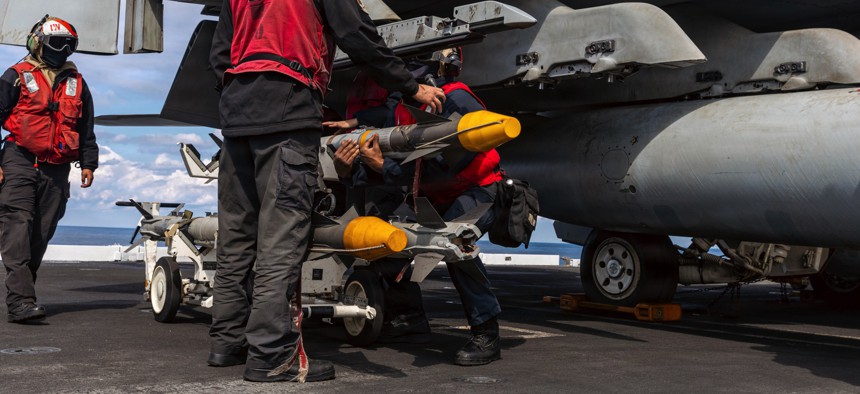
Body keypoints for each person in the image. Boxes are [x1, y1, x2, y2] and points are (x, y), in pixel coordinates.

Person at [207, 0, 446, 383]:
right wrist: (410, 86)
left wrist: (240, 99)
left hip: (236, 122)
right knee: (280, 242)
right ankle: (272, 356)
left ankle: (226, 342)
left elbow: (219, 56)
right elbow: (357, 35)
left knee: (235, 240)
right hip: (287, 114)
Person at [330, 49, 504, 366]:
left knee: (455, 244)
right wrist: (347, 169)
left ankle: (486, 333)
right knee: (384, 240)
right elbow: (381, 153)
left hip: (479, 191)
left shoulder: (457, 100)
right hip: (433, 197)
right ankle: (407, 322)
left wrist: (383, 166)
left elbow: (443, 166)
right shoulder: (402, 111)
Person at [0, 15, 98, 324]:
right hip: (19, 160)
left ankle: (23, 296)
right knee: (17, 227)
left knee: (41, 233)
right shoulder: (15, 76)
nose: (63, 50)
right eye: (58, 43)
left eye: (69, 45)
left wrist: (89, 163)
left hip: (57, 169)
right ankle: (21, 303)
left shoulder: (77, 85)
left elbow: (86, 127)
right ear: (39, 43)